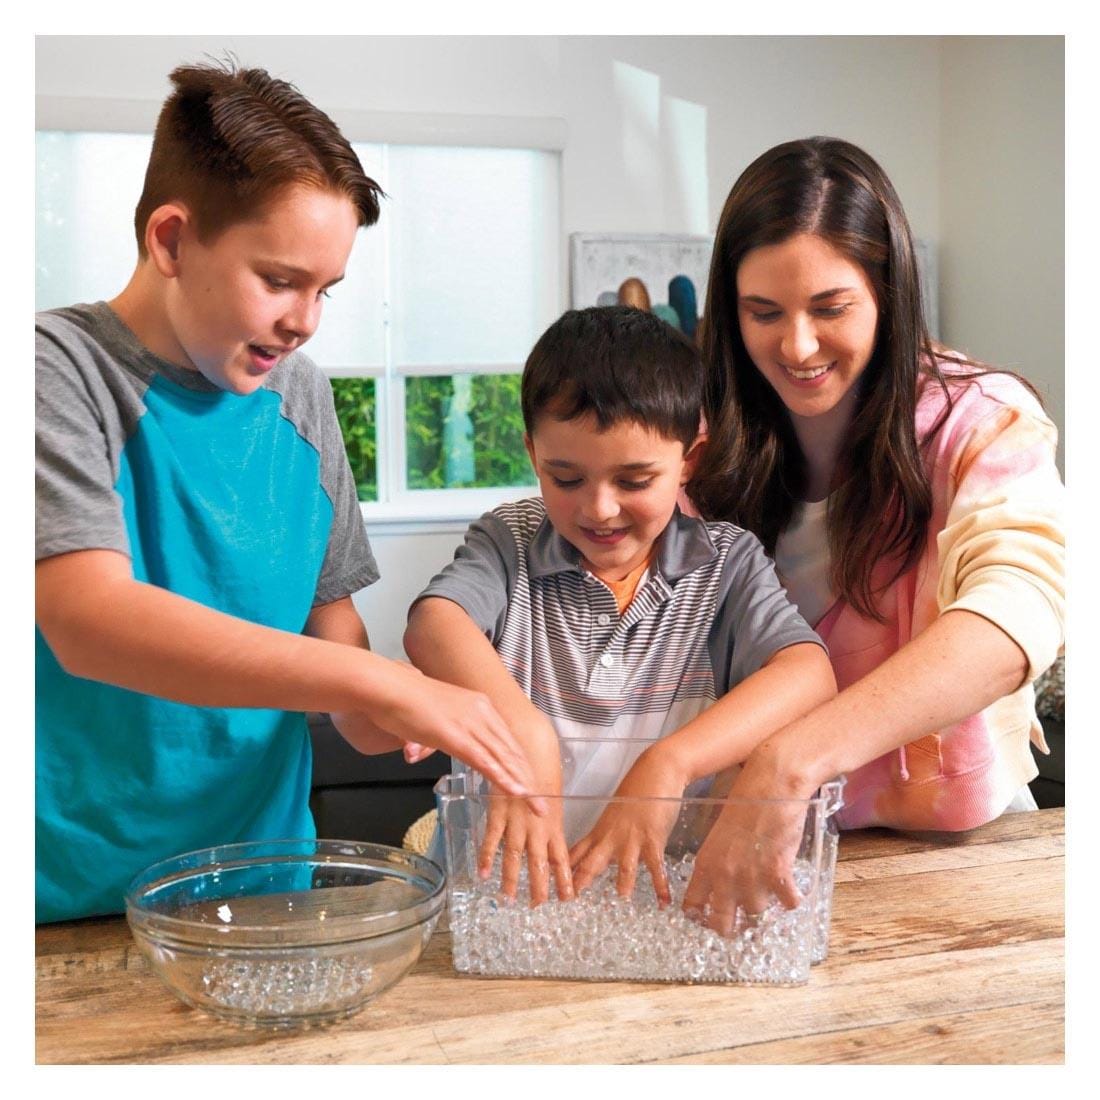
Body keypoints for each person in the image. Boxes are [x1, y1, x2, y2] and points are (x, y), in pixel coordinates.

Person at [35, 60, 540, 925]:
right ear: (170, 240)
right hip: (63, 901)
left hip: (263, 892)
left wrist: (398, 708)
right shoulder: (54, 371)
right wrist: (380, 684)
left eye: (325, 290)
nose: (306, 320)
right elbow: (88, 622)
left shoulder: (299, 397)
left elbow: (331, 637)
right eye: (278, 280)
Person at [681, 136, 1065, 934]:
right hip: (755, 854)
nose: (797, 346)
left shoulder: (984, 424)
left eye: (830, 308)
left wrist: (793, 762)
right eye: (764, 313)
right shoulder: (698, 447)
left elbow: (1018, 612)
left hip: (961, 862)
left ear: (888, 296)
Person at [404, 306, 836, 906]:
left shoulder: (726, 565)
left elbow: (809, 674)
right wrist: (522, 733)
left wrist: (670, 764)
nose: (600, 509)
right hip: (502, 903)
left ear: (690, 459)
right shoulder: (509, 544)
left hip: (654, 903)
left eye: (634, 481)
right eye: (566, 478)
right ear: (533, 454)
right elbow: (434, 622)